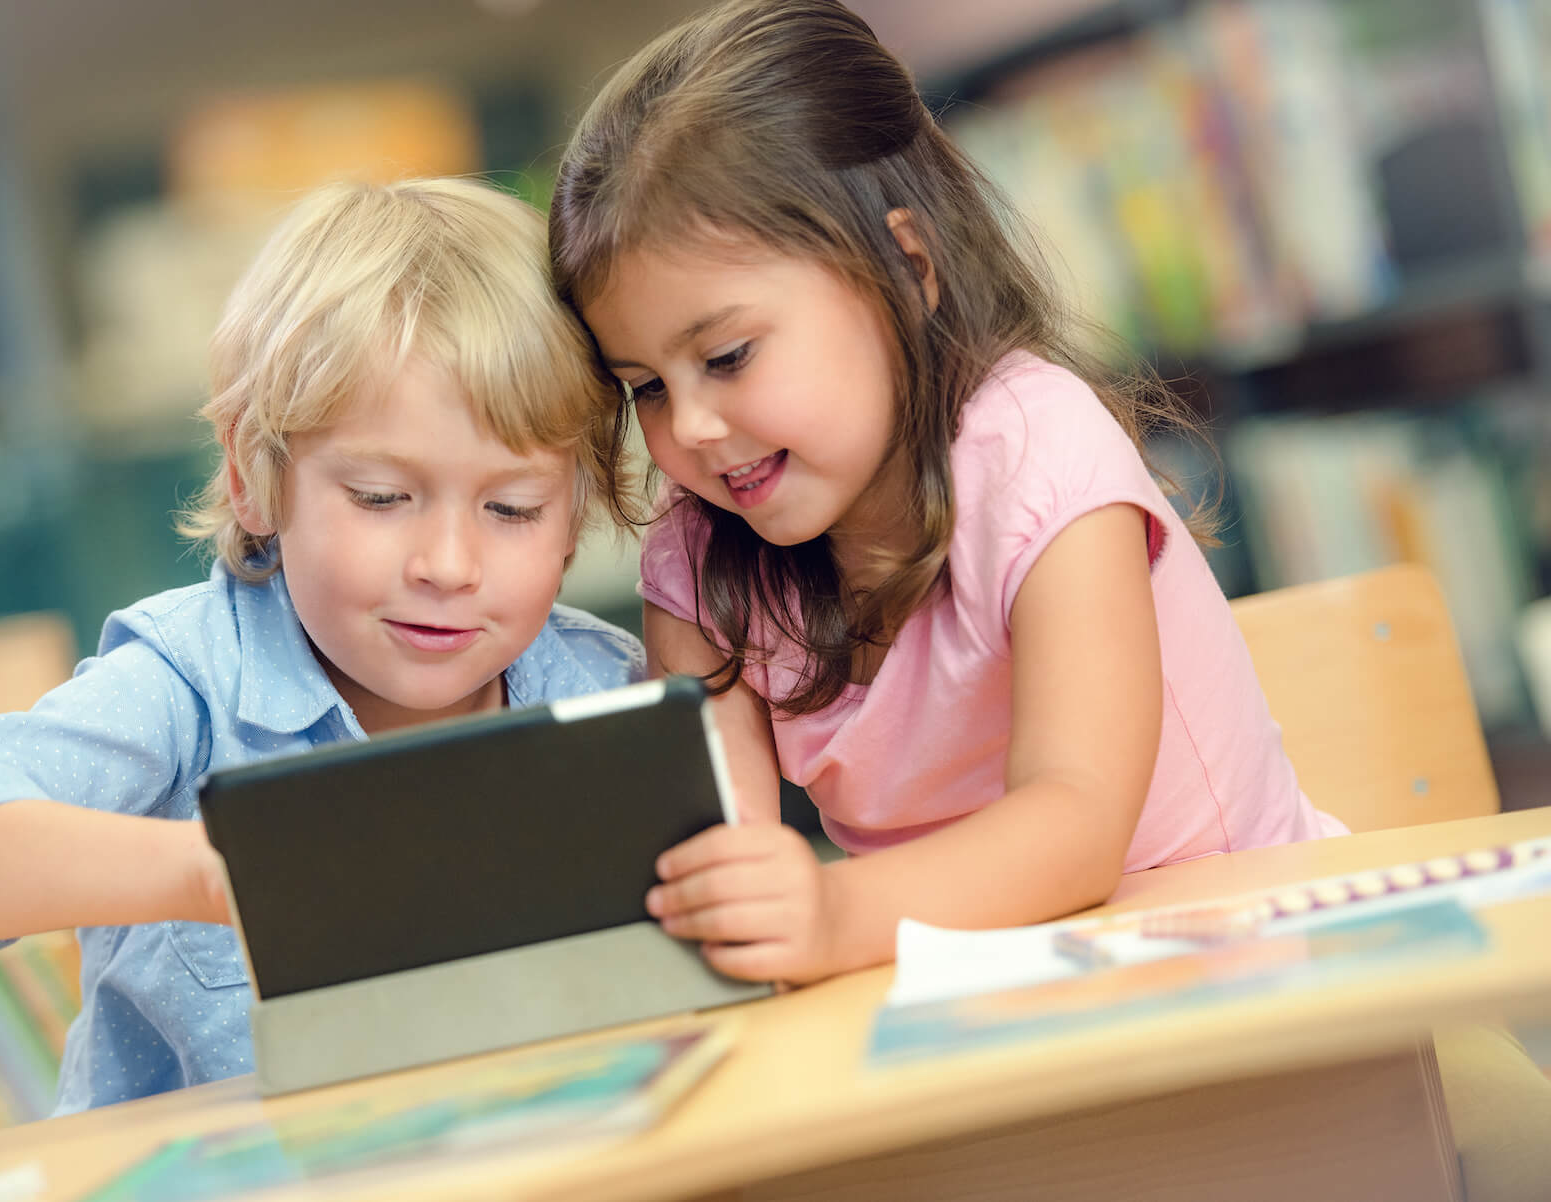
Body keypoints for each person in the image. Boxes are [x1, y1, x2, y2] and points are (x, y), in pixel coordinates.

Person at [548, 0, 1345, 988]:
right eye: (648, 389)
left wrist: (832, 908)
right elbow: (720, 853)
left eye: (727, 355)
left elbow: (1076, 824)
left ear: (906, 267)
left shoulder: (1041, 453)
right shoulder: (702, 553)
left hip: (1244, 955)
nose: (693, 428)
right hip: (971, 997)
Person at [0, 177, 644, 1112]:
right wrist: (214, 868)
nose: (449, 565)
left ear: (575, 511)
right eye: (383, 498)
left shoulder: (608, 688)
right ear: (250, 475)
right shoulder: (187, 687)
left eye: (512, 508)